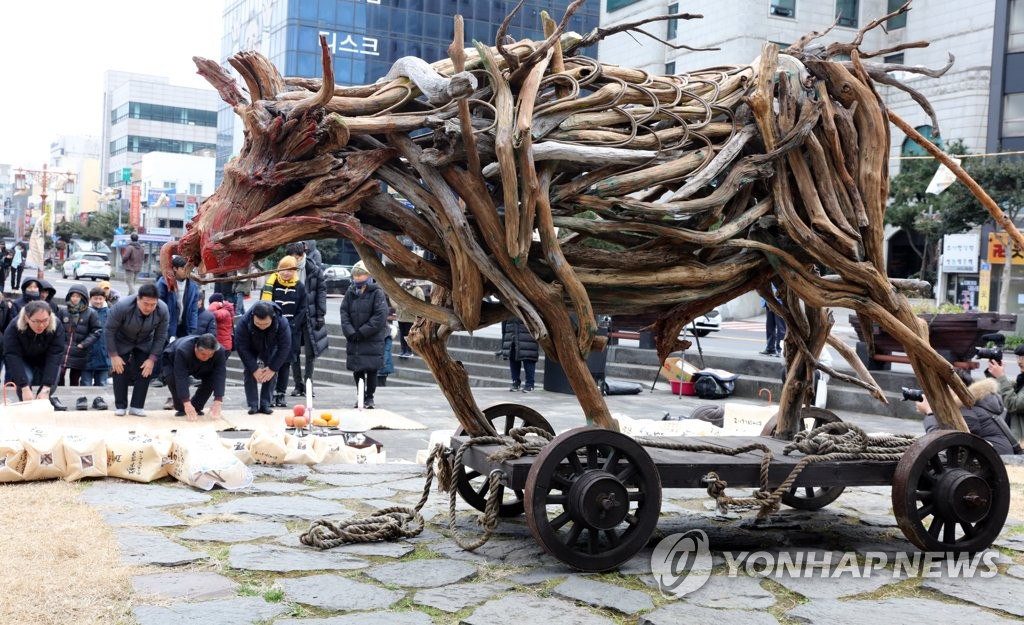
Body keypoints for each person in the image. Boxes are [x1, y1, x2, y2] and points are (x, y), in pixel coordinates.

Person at [105, 283, 170, 417]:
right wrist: (113, 355)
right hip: (122, 338)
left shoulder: (163, 310)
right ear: (138, 299)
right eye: (146, 304)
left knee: (145, 370)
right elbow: (109, 330)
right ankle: (121, 406)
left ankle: (137, 406)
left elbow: (161, 336)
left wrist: (152, 359)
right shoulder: (122, 306)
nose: (149, 308)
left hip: (145, 340)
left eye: (153, 305)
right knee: (119, 369)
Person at [914, 372, 1015, 456]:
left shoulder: (967, 410)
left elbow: (943, 443)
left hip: (999, 463)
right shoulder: (974, 404)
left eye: (943, 387)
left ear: (957, 389)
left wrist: (930, 412)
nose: (939, 392)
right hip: (994, 458)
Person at [340, 261, 388, 409]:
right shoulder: (351, 291)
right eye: (355, 274)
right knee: (358, 369)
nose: (357, 277)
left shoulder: (377, 292)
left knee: (372, 369)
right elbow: (344, 313)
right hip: (355, 338)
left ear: (368, 275)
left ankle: (370, 397)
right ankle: (360, 396)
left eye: (360, 273)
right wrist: (350, 332)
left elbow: (380, 316)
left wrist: (363, 331)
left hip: (371, 339)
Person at [260, 255, 307, 407]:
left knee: (285, 363)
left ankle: (281, 393)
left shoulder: (299, 286)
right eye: (283, 269)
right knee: (271, 361)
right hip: (271, 329)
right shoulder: (271, 284)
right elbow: (264, 306)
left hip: (291, 331)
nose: (286, 273)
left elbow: (302, 309)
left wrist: (292, 325)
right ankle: (270, 393)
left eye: (290, 270)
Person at [285, 242, 328, 397]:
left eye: (294, 258)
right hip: (293, 316)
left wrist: (320, 314)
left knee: (310, 353)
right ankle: (298, 385)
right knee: (293, 352)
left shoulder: (314, 270)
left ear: (301, 256)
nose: (292, 261)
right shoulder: (285, 270)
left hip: (310, 315)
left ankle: (308, 384)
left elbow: (321, 292)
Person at [234, 301, 292, 414]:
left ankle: (266, 404)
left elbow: (285, 347)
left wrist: (273, 368)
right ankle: (253, 405)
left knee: (271, 370)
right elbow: (241, 347)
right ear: (253, 316)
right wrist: (254, 369)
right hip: (250, 346)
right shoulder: (244, 322)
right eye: (258, 324)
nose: (261, 327)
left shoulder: (282, 322)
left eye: (265, 324)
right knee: (249, 370)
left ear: (272, 318)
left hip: (271, 346)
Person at [3, 301, 67, 403]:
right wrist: (24, 387)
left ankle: (41, 403)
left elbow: (55, 355)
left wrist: (46, 388)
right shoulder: (14, 327)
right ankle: (26, 403)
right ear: (26, 318)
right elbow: (12, 355)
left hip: (46, 359)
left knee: (51, 382)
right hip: (24, 359)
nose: (41, 325)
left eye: (45, 320)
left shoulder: (57, 325)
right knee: (25, 380)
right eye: (36, 321)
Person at [160, 333, 226, 421]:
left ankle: (196, 407)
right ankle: (182, 408)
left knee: (212, 380)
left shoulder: (219, 351)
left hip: (203, 366)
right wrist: (186, 402)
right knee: (172, 379)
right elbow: (181, 377)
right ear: (196, 348)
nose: (206, 358)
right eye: (203, 354)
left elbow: (220, 374)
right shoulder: (183, 351)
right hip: (172, 360)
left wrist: (218, 401)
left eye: (210, 355)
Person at [60, 285, 102, 406]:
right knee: (60, 373)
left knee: (75, 377)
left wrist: (83, 344)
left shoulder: (91, 313)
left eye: (78, 296)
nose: (75, 298)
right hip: (64, 349)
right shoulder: (63, 311)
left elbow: (97, 331)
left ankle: (73, 398)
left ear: (83, 297)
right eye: (73, 296)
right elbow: (57, 328)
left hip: (80, 351)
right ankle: (60, 396)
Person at [156, 255, 200, 341]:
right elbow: (158, 307)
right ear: (175, 268)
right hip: (167, 325)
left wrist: (193, 328)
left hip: (184, 326)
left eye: (189, 269)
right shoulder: (164, 283)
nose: (187, 271)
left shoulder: (192, 286)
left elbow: (194, 309)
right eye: (183, 268)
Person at [81, 287, 111, 408]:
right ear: (90, 299)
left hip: (104, 352)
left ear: (105, 299)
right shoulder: (84, 311)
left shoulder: (110, 313)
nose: (98, 301)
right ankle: (83, 399)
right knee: (86, 381)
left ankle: (99, 400)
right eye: (95, 298)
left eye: (100, 298)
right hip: (87, 352)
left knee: (102, 382)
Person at [988, 345, 1024, 442]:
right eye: (1018, 357)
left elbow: (1014, 404)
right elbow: (1002, 390)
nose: (1019, 361)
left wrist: (1001, 377)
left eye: (1023, 357)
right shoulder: (1021, 381)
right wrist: (994, 373)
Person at [500, 317, 539, 392]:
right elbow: (504, 324)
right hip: (511, 334)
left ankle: (530, 384)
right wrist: (504, 342)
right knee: (513, 359)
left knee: (528, 359)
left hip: (528, 336)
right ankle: (516, 382)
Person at [396, 279, 425, 357]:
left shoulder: (417, 289)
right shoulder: (401, 287)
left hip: (411, 317)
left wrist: (419, 316)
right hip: (401, 316)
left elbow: (421, 303)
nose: (406, 278)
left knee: (409, 335)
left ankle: (410, 351)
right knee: (402, 335)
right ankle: (403, 350)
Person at [760, 287, 786, 357]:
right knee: (770, 326)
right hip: (768, 301)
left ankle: (781, 349)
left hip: (778, 301)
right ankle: (770, 348)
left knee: (781, 327)